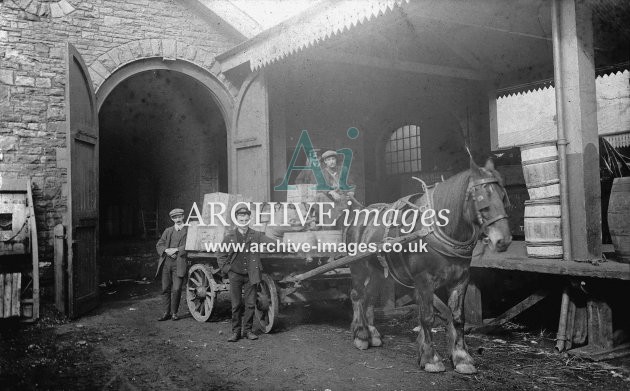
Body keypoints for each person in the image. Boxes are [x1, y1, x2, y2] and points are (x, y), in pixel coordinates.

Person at [218, 206, 275, 342]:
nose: (243, 221)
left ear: (249, 219)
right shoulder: (229, 237)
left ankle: (248, 331)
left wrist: (288, 245)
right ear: (236, 220)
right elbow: (220, 255)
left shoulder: (256, 235)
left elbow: (272, 243)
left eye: (245, 219)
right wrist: (228, 269)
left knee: (250, 304)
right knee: (236, 304)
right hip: (235, 275)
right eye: (240, 219)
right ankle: (236, 332)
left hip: (251, 275)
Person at [155, 208, 188, 321]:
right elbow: (159, 244)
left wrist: (176, 250)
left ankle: (174, 313)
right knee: (165, 288)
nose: (178, 219)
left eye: (179, 217)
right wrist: (166, 251)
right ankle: (166, 312)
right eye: (175, 217)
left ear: (183, 217)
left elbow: (189, 245)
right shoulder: (168, 231)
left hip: (179, 263)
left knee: (177, 288)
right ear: (172, 219)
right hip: (166, 263)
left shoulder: (188, 230)